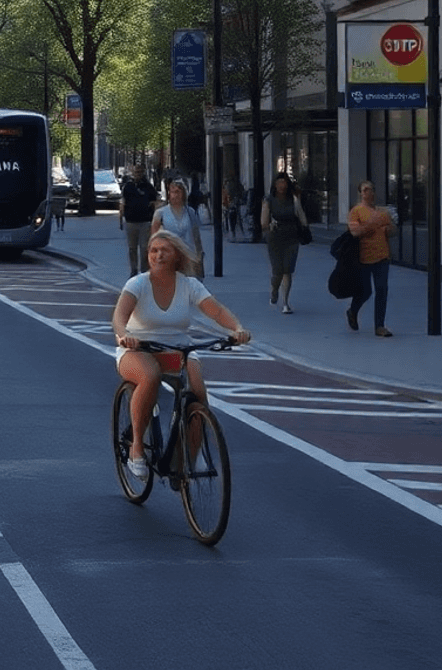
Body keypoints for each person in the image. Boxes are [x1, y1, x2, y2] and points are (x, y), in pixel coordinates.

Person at [111, 230, 251, 480]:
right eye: (153, 250)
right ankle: (136, 449)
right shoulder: (137, 284)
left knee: (198, 395)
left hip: (178, 349)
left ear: (177, 255)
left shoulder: (189, 285)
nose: (158, 255)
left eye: (165, 250)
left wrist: (237, 329)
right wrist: (124, 336)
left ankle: (189, 455)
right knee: (150, 376)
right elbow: (119, 317)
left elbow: (217, 311)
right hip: (138, 348)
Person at [348, 180, 396, 337]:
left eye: (371, 189)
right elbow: (355, 232)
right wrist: (373, 224)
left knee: (382, 290)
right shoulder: (356, 211)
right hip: (364, 257)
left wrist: (388, 228)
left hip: (382, 256)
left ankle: (379, 326)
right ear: (360, 193)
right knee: (365, 291)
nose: (369, 193)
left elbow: (393, 230)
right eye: (365, 190)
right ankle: (353, 310)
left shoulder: (383, 212)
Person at [261, 171, 307, 315]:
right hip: (275, 238)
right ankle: (274, 289)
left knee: (288, 270)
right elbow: (263, 221)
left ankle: (285, 302)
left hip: (291, 237)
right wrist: (268, 226)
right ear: (275, 185)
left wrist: (305, 226)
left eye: (284, 182)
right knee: (278, 271)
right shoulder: (269, 200)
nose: (282, 185)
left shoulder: (293, 199)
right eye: (279, 182)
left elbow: (301, 215)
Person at [150, 178, 204, 278]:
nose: (175, 195)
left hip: (189, 256)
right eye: (173, 192)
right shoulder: (161, 213)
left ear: (184, 194)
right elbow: (154, 237)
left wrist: (199, 256)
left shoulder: (190, 212)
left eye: (178, 192)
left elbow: (196, 235)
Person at [119, 164, 158, 276]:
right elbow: (123, 202)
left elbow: (154, 203)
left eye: (140, 172)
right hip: (131, 221)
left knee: (144, 248)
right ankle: (134, 270)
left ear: (143, 173)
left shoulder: (148, 187)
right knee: (132, 248)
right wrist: (121, 218)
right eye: (136, 172)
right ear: (133, 173)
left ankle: (144, 271)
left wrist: (155, 220)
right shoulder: (128, 187)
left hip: (145, 221)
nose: (138, 174)